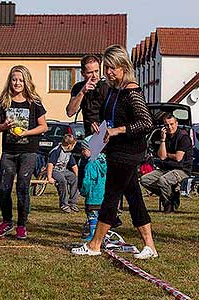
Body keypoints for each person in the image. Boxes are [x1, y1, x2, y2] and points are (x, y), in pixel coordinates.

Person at [71, 44, 158, 259]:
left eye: (112, 68)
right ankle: (150, 247)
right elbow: (107, 118)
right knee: (134, 197)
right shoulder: (113, 90)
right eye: (107, 67)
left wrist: (117, 130)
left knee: (110, 197)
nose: (108, 72)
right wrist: (99, 136)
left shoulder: (131, 90)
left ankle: (95, 244)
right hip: (114, 149)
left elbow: (146, 122)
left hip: (128, 152)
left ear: (123, 67)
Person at [0, 65, 47, 239]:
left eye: (21, 80)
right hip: (8, 151)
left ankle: (22, 225)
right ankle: (7, 221)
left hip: (28, 151)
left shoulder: (34, 103)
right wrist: (4, 126)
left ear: (26, 81)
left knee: (22, 187)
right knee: (3, 188)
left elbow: (43, 126)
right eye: (14, 79)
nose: (17, 83)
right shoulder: (3, 102)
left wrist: (27, 133)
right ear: (10, 81)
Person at [141, 114, 193, 213]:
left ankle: (168, 204)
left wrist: (167, 155)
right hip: (165, 168)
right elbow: (161, 156)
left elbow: (178, 158)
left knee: (163, 180)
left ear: (176, 123)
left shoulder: (183, 137)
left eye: (172, 124)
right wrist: (163, 140)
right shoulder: (164, 136)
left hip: (182, 170)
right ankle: (171, 195)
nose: (169, 127)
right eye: (167, 125)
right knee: (144, 180)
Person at [66, 54, 109, 136]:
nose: (94, 76)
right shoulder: (78, 88)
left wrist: (101, 124)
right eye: (90, 72)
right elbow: (70, 112)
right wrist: (82, 92)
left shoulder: (106, 87)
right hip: (89, 135)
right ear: (83, 73)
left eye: (96, 71)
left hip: (106, 133)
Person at [78, 136, 107, 241]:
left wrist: (83, 191)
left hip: (93, 195)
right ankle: (101, 234)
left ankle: (93, 234)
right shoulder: (103, 161)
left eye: (84, 149)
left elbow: (87, 181)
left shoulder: (90, 164)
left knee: (92, 215)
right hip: (102, 194)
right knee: (100, 215)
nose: (82, 152)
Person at [46, 134, 79, 213]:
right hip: (54, 170)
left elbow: (74, 165)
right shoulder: (56, 151)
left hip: (63, 170)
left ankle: (73, 203)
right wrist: (49, 177)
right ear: (69, 145)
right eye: (73, 145)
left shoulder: (69, 152)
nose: (74, 147)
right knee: (62, 181)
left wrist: (76, 176)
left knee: (74, 178)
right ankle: (64, 204)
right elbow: (50, 165)